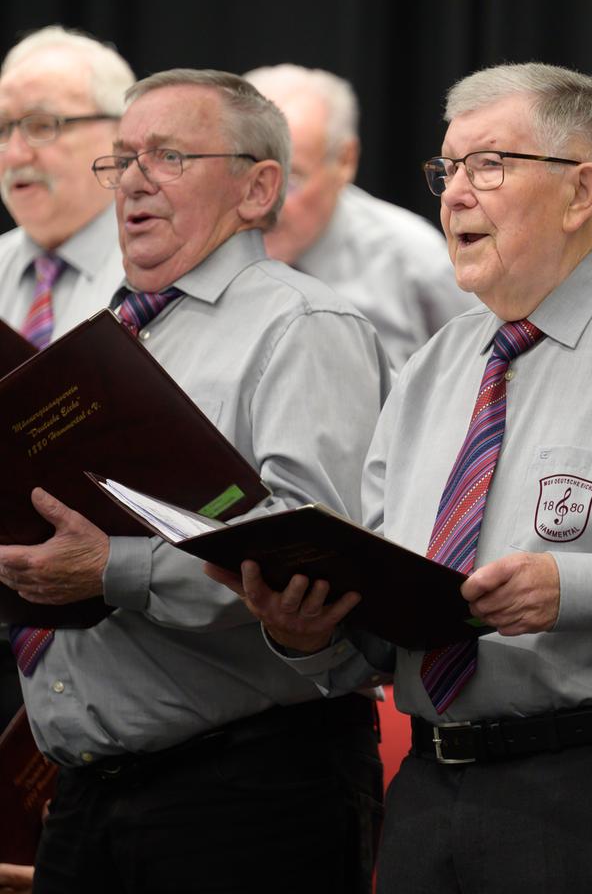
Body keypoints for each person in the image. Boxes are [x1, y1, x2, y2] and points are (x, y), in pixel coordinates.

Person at [212, 63, 592, 894]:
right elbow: (392, 614)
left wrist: (578, 590)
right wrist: (309, 631)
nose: (456, 196)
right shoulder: (434, 367)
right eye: (447, 169)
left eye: (489, 166)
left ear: (581, 191)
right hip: (429, 795)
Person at [0, 69, 390, 894]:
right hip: (86, 794)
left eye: (169, 156)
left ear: (258, 188)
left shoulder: (302, 327)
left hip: (245, 795)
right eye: (122, 159)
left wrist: (113, 569)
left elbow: (313, 551)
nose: (133, 180)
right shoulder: (100, 337)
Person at [0, 26, 134, 735]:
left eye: (42, 125)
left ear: (120, 137)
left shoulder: (156, 277)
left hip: (132, 650)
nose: (15, 152)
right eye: (3, 129)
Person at [244, 63, 475, 369]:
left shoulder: (415, 263)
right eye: (249, 178)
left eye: (291, 180)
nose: (264, 203)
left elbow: (477, 370)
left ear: (345, 161)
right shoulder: (204, 248)